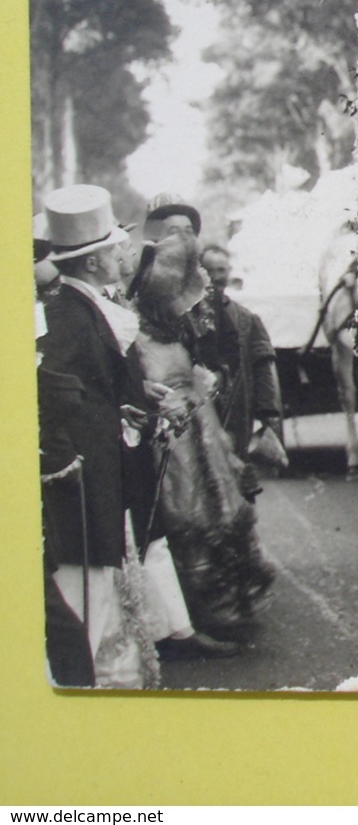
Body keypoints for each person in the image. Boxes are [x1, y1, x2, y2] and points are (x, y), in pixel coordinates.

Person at [36, 185, 159, 687]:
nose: (121, 255)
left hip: (97, 476)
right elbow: (61, 402)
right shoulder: (68, 316)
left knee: (100, 598)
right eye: (113, 247)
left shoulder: (81, 307)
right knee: (87, 603)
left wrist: (132, 401)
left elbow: (92, 387)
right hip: (81, 484)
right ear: (90, 262)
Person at [129, 232, 276, 638]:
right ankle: (205, 607)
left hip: (200, 430)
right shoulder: (135, 339)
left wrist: (202, 383)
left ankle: (234, 598)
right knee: (188, 517)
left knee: (222, 511)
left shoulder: (177, 333)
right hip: (171, 440)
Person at [196, 244, 289, 499]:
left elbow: (264, 371)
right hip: (201, 419)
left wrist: (269, 418)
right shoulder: (187, 317)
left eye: (222, 269)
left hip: (238, 420)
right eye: (210, 270)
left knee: (238, 495)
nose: (217, 276)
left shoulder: (247, 319)